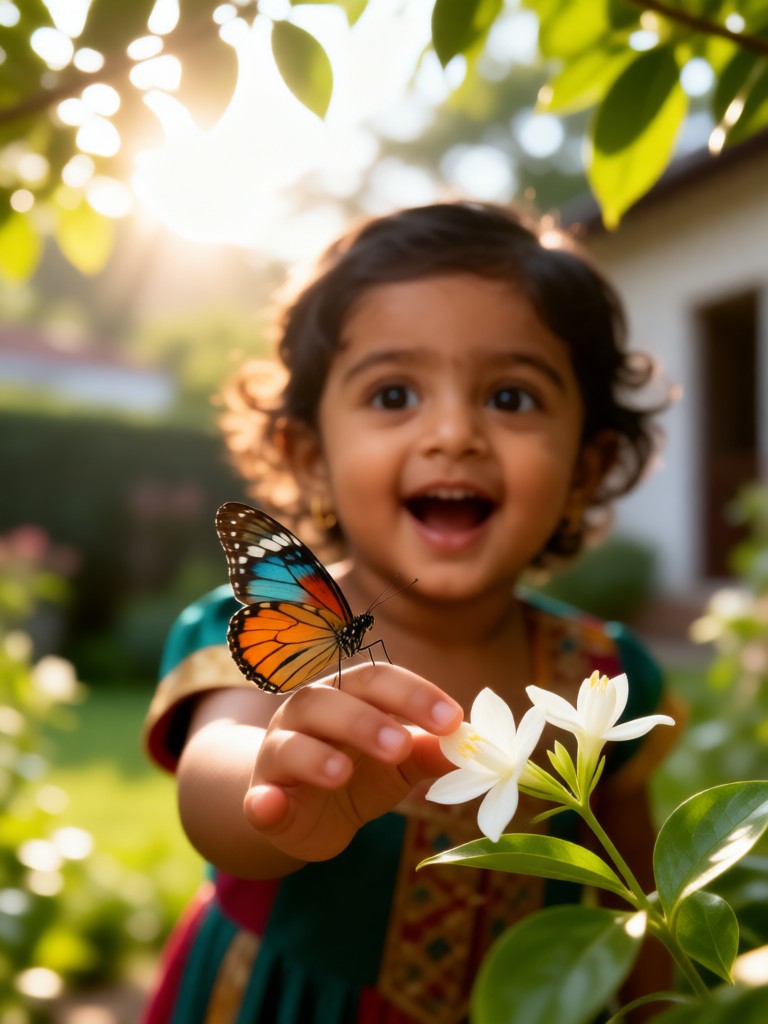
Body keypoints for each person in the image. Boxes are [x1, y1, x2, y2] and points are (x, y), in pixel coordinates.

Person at [141, 202, 682, 1024]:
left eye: (511, 395)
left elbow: (639, 891)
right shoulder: (252, 628)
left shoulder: (602, 670)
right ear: (309, 456)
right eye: (395, 393)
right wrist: (274, 784)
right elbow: (215, 774)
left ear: (588, 462)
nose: (455, 433)